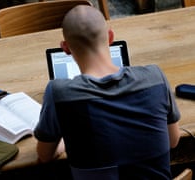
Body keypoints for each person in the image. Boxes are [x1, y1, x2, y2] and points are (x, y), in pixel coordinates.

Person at [33, 5, 181, 179]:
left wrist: (65, 139)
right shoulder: (155, 77)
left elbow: (44, 155)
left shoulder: (59, 93)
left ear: (65, 48)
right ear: (111, 37)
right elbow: (173, 141)